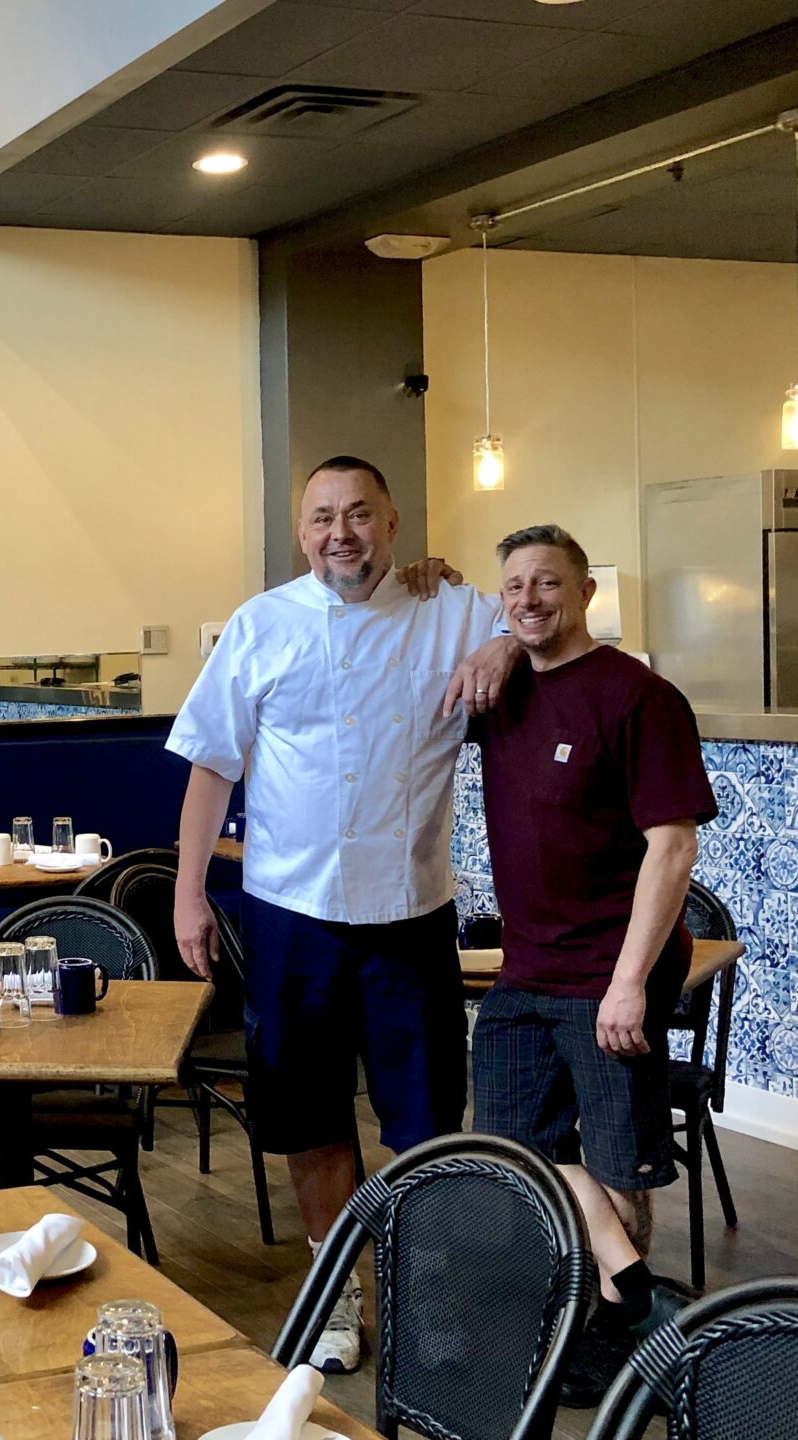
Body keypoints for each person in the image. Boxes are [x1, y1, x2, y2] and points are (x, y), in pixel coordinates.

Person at [167, 455, 519, 1373]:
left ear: (392, 524)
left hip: (410, 913)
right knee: (308, 1113)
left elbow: (547, 619)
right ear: (301, 533)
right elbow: (213, 764)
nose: (341, 534)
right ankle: (333, 1298)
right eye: (323, 518)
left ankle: (425, 1293)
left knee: (425, 1120)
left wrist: (504, 646)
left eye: (360, 514)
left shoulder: (454, 612)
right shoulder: (262, 624)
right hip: (292, 913)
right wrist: (189, 892)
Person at [467, 524, 717, 1405]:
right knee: (513, 1150)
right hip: (526, 971)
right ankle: (630, 1299)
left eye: (547, 582)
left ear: (585, 593)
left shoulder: (639, 697)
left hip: (611, 975)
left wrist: (628, 983)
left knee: (619, 1164)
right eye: (514, 587)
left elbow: (673, 848)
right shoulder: (502, 692)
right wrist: (497, 643)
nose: (529, 599)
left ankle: (615, 1338)